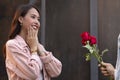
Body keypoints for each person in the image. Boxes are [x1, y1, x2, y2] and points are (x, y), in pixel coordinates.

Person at [4, 4, 62, 80]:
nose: (37, 22)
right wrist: (34, 50)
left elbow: (56, 71)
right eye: (33, 17)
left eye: (38, 19)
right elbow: (32, 74)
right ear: (21, 19)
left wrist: (40, 49)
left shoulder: (37, 46)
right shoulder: (12, 45)